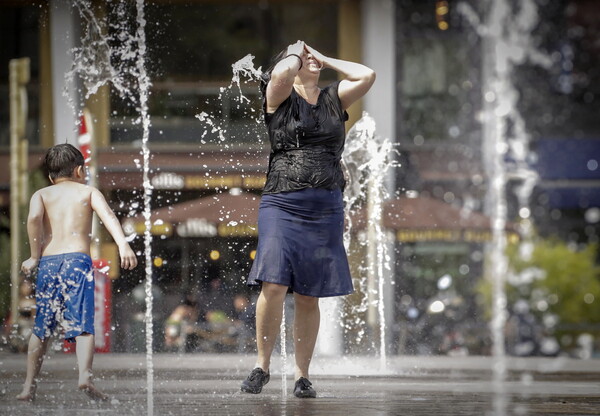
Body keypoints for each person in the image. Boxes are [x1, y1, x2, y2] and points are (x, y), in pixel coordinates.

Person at [240, 41, 375, 398]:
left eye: (313, 57)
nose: (310, 60)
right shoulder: (279, 97)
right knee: (273, 283)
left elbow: (367, 74)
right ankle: (261, 366)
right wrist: (295, 53)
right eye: (304, 58)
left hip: (326, 205)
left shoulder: (334, 97)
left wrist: (324, 59)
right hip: (282, 201)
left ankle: (303, 375)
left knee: (308, 294)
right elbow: (282, 73)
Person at [17, 143, 138, 402]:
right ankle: (84, 376)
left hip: (48, 262)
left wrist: (34, 256)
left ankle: (29, 386)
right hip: (77, 262)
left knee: (42, 327)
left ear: (51, 176)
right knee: (83, 324)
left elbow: (33, 219)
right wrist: (123, 244)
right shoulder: (88, 191)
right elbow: (108, 217)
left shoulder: (41, 194)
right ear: (80, 170)